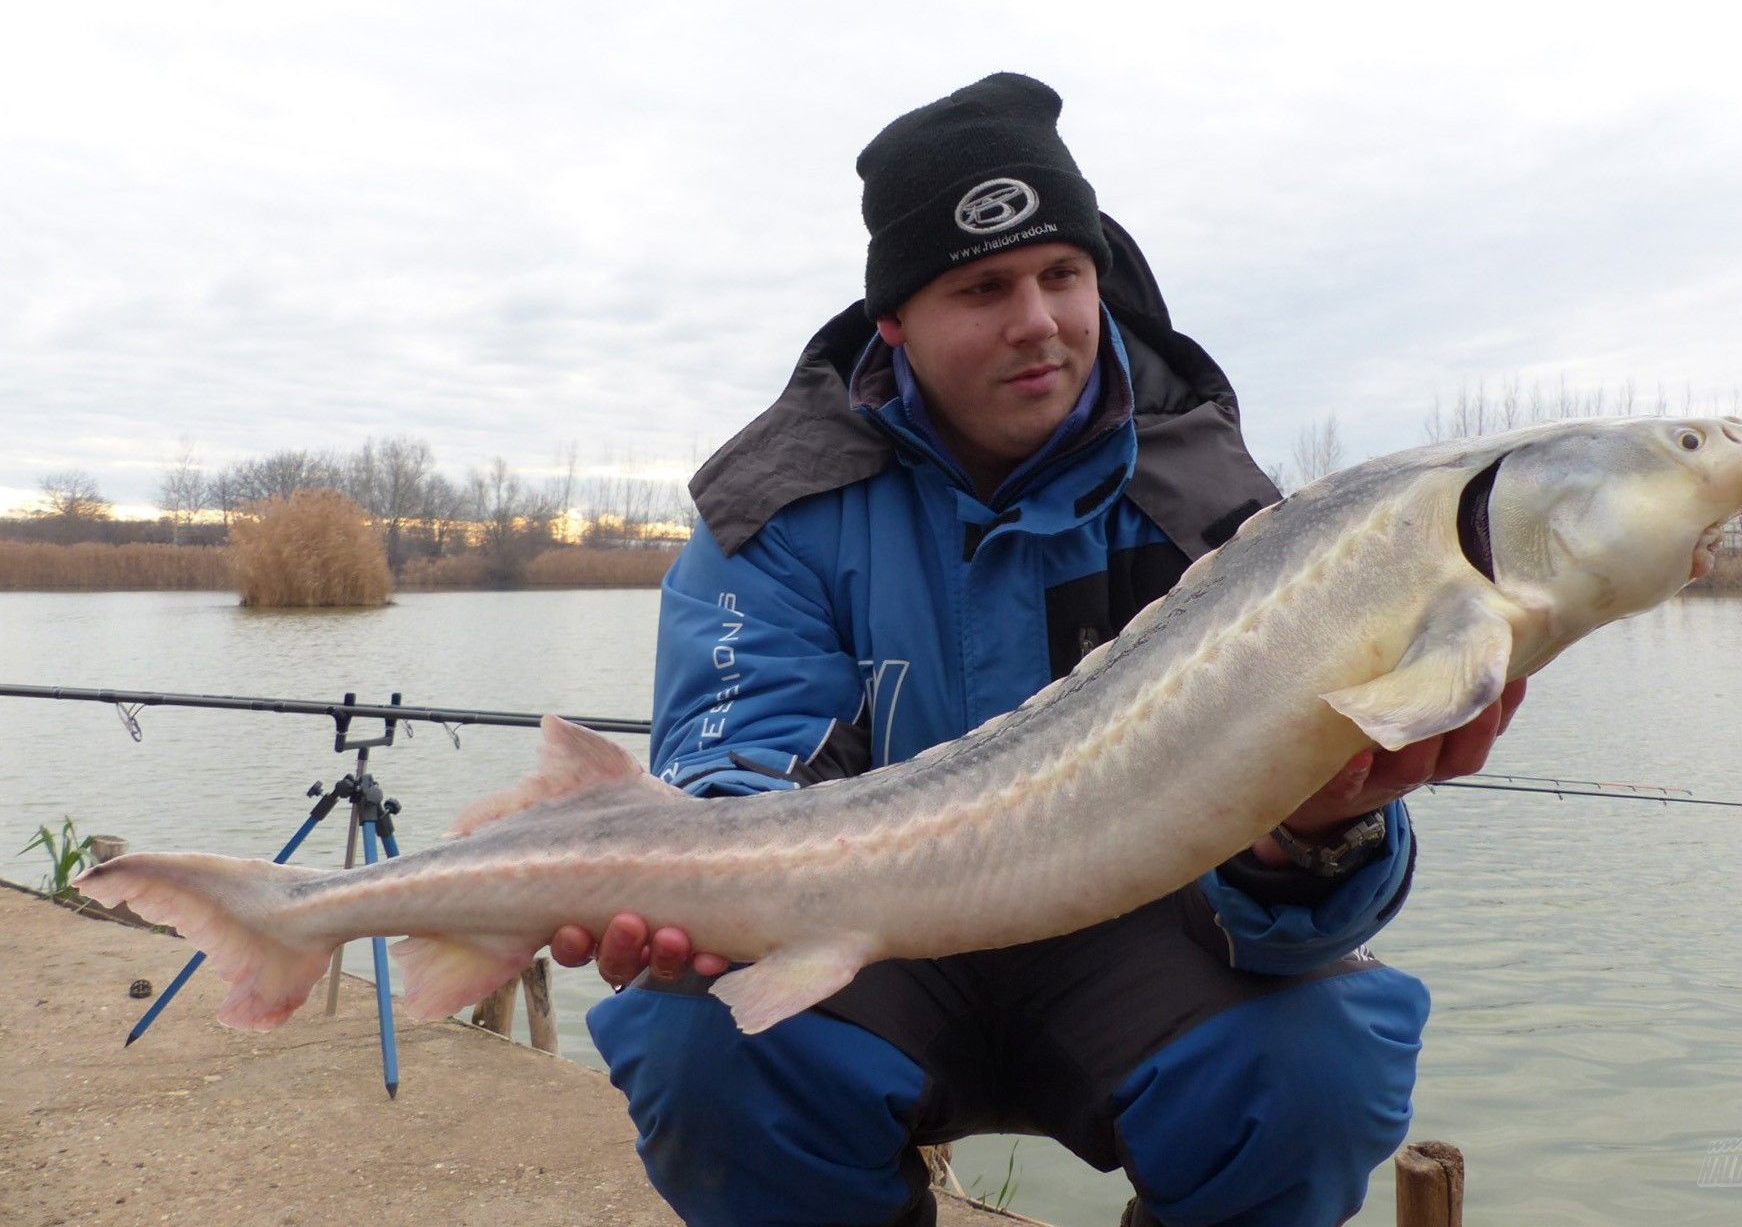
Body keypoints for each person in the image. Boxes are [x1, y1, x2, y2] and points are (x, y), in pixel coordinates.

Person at [552, 73, 1525, 1227]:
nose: (1040, 321)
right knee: (694, 1039)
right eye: (983, 288)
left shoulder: (1222, 514)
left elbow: (1324, 913)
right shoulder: (775, 512)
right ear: (895, 323)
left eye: (1064, 275)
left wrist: (1312, 837)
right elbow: (738, 773)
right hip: (871, 943)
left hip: (1139, 942)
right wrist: (678, 903)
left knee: (1318, 1064)